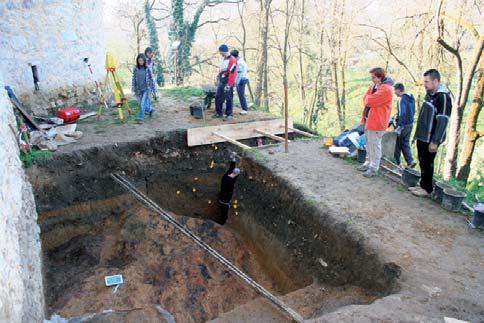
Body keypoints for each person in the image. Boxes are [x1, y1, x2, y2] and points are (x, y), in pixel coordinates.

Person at [410, 69, 452, 197]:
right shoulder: (430, 94)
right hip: (422, 136)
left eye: (427, 82)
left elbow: (443, 120)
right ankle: (423, 184)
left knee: (428, 162)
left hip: (431, 138)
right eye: (424, 81)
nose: (425, 84)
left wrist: (435, 141)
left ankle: (427, 189)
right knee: (422, 161)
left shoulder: (443, 97)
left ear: (436, 81)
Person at [358, 67, 394, 177]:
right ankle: (368, 163)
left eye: (373, 77)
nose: (372, 79)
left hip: (378, 121)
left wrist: (368, 99)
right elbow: (365, 97)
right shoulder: (375, 86)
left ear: (379, 77)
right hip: (369, 120)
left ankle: (374, 167)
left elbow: (369, 101)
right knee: (368, 143)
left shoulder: (386, 89)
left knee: (374, 145)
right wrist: (368, 98)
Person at [393, 83, 416, 168]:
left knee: (397, 143)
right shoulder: (411, 98)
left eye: (394, 90)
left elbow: (402, 113)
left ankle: (396, 163)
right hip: (410, 124)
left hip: (403, 125)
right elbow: (413, 111)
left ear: (398, 89)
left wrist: (400, 126)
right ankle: (410, 161)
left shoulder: (402, 99)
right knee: (405, 143)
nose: (394, 92)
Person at [213, 44, 237, 121]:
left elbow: (232, 73)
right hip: (222, 80)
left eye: (220, 52)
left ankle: (229, 114)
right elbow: (221, 69)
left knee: (228, 98)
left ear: (223, 51)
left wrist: (229, 84)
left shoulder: (232, 60)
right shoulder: (223, 58)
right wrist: (218, 78)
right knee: (218, 97)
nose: (220, 53)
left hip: (228, 81)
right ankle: (218, 112)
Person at [216, 152, 241, 225]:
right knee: (224, 215)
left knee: (222, 212)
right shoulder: (232, 181)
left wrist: (233, 158)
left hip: (220, 197)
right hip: (225, 201)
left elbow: (231, 167)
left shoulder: (226, 175)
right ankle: (222, 224)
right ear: (236, 175)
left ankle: (221, 222)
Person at [131, 53, 156, 124]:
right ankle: (150, 110)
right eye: (139, 60)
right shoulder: (135, 68)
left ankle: (140, 118)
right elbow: (133, 78)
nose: (141, 62)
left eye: (142, 60)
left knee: (142, 104)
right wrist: (133, 87)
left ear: (144, 61)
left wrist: (153, 89)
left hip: (146, 89)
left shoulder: (147, 68)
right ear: (137, 61)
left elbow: (151, 79)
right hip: (139, 89)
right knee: (141, 104)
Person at [230, 49, 250, 115]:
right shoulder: (238, 60)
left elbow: (239, 74)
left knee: (241, 94)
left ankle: (245, 109)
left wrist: (236, 82)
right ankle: (245, 108)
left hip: (242, 79)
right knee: (240, 94)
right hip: (241, 78)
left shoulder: (240, 62)